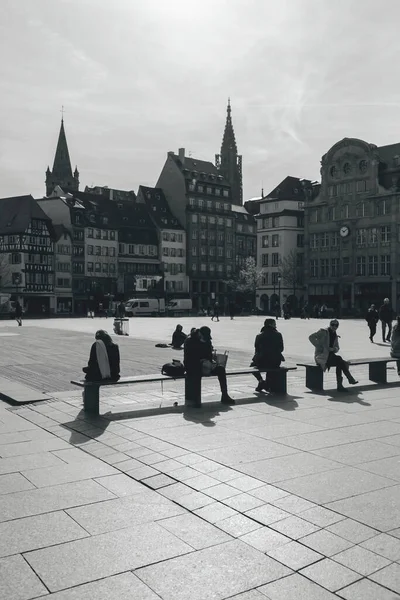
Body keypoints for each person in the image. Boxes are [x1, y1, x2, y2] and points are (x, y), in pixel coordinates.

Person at [183, 326, 234, 405]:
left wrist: (211, 362)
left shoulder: (207, 341)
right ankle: (196, 398)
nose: (205, 340)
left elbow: (209, 355)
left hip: (206, 364)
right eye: (204, 338)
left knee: (221, 369)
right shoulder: (189, 341)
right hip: (192, 365)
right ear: (199, 333)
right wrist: (201, 361)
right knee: (196, 372)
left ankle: (225, 395)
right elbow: (188, 357)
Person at [309, 319, 358, 392]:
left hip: (330, 355)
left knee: (340, 362)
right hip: (322, 356)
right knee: (340, 361)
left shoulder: (335, 334)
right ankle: (347, 380)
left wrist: (334, 349)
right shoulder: (323, 331)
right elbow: (311, 337)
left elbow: (337, 347)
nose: (334, 326)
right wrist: (320, 347)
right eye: (332, 324)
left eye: (336, 325)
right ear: (330, 324)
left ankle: (342, 384)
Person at [251, 318, 284, 392]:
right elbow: (281, 349)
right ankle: (266, 384)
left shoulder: (259, 335)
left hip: (262, 361)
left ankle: (261, 381)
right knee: (271, 367)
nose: (276, 326)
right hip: (276, 362)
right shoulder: (278, 335)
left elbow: (257, 349)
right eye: (274, 324)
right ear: (271, 325)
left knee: (252, 366)